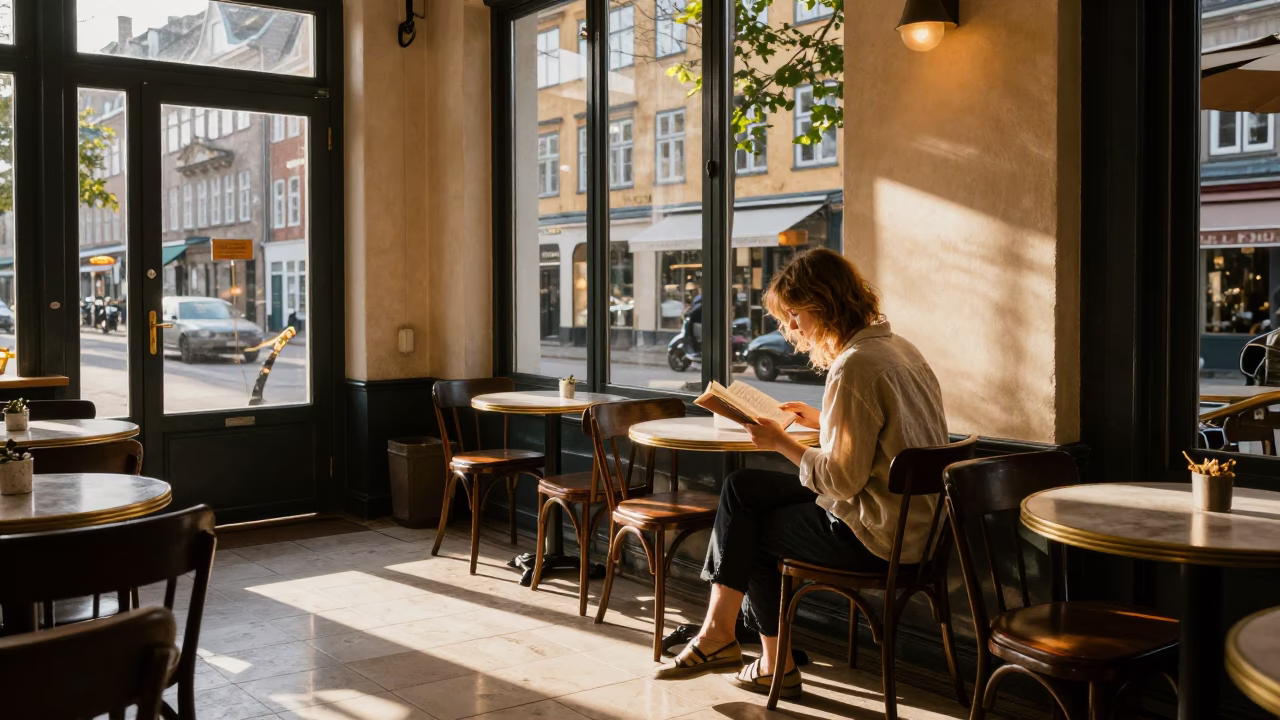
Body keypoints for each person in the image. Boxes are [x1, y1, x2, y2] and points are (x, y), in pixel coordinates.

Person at [652, 247, 949, 699]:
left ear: (823, 304)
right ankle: (733, 642)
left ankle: (760, 657)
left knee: (752, 527)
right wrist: (821, 421)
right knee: (742, 488)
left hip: (879, 536)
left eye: (793, 315)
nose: (791, 329)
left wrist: (780, 442)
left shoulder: (854, 367)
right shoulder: (898, 349)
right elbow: (889, 437)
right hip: (922, 527)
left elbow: (841, 481)